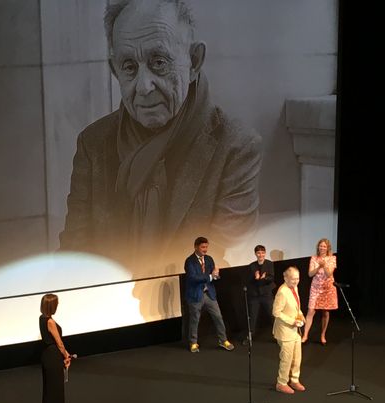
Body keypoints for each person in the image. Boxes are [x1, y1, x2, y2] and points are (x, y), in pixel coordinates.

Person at [59, 0, 262, 274]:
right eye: (129, 67)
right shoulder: (93, 144)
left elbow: (222, 269)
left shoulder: (236, 147)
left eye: (159, 62)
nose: (143, 87)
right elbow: (73, 260)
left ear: (194, 61)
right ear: (114, 70)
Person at [184, 236, 235, 353]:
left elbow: (214, 274)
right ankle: (193, 343)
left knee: (218, 317)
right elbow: (193, 278)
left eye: (206, 247)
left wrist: (216, 274)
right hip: (195, 295)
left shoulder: (209, 259)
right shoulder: (189, 261)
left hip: (209, 294)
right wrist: (211, 276)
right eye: (203, 247)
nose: (205, 249)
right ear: (196, 247)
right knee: (194, 320)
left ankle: (223, 340)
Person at [38, 293, 72, 403]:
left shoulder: (41, 318)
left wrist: (65, 353)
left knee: (49, 390)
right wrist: (66, 356)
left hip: (47, 355)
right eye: (56, 304)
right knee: (56, 392)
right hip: (53, 357)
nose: (57, 306)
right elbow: (59, 343)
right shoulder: (50, 322)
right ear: (52, 306)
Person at [272, 266, 305, 394]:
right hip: (285, 331)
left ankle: (294, 380)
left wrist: (300, 315)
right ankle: (281, 383)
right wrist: (292, 321)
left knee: (297, 357)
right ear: (285, 278)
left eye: (297, 279)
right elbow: (276, 312)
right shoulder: (282, 292)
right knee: (286, 358)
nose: (296, 281)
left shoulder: (294, 287)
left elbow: (296, 306)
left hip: (295, 330)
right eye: (293, 279)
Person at [302, 238, 337, 345]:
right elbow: (310, 274)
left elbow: (329, 274)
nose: (322, 248)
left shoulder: (332, 258)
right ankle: (305, 335)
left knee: (325, 312)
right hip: (316, 288)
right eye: (321, 246)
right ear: (318, 247)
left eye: (324, 246)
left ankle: (322, 335)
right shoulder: (313, 258)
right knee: (310, 311)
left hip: (327, 288)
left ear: (328, 248)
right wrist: (318, 267)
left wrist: (324, 265)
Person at [244, 244, 275, 343]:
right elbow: (248, 280)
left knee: (272, 315)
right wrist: (255, 277)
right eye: (258, 253)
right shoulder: (252, 266)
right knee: (252, 316)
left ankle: (278, 335)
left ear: (265, 253)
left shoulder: (269, 264)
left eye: (262, 252)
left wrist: (264, 278)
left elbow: (271, 278)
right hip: (255, 296)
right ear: (255, 254)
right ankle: (250, 337)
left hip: (266, 294)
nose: (260, 255)